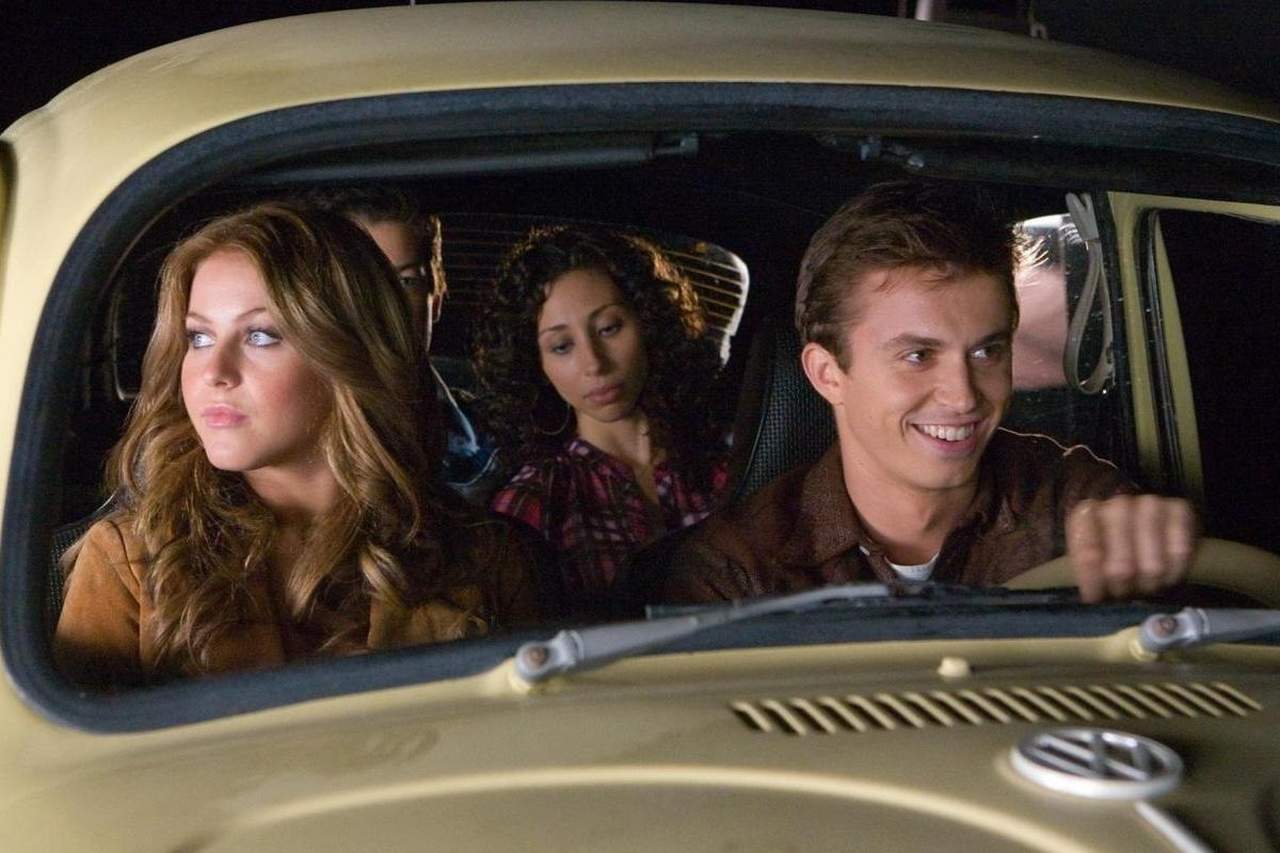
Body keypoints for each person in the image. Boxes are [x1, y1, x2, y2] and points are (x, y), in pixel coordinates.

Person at [54, 202, 546, 689]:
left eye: (260, 335)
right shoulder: (127, 560)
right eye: (199, 338)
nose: (214, 372)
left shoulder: (488, 558)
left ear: (348, 353)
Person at [655, 180, 1197, 605]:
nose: (963, 397)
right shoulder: (734, 573)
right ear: (827, 374)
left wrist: (1156, 539)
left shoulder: (1075, 505)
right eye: (918, 356)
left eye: (986, 351)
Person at [474, 226, 731, 617]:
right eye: (562, 346)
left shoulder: (730, 463)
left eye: (609, 328)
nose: (594, 363)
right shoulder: (536, 500)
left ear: (648, 322)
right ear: (537, 365)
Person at [305, 185, 500, 502]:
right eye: (360, 283)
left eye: (405, 281)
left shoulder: (496, 432)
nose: (386, 305)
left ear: (436, 297)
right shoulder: (288, 433)